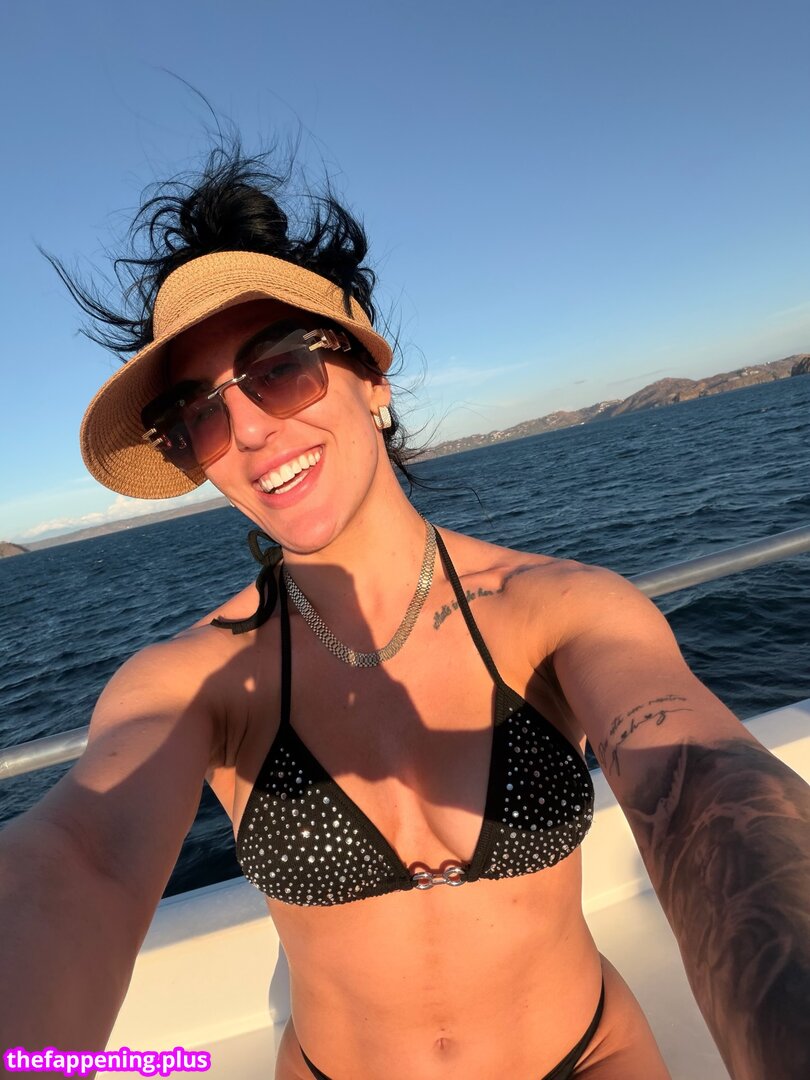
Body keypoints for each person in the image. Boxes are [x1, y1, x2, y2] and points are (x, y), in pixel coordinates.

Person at [1, 141, 808, 1080]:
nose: (248, 429)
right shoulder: (195, 679)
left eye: (279, 369)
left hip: (588, 1056)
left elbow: (700, 789)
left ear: (372, 379)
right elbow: (86, 856)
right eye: (200, 415)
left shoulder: (560, 610)